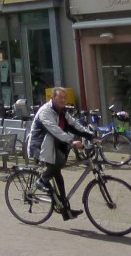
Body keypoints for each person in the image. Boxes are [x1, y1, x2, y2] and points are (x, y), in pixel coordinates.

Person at [29, 87, 96, 220]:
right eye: (60, 97)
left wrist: (91, 136)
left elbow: (74, 125)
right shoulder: (45, 112)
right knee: (57, 164)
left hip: (54, 146)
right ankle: (41, 181)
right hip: (40, 147)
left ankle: (65, 210)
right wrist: (72, 141)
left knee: (59, 177)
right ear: (52, 98)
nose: (63, 100)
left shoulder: (62, 111)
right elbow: (54, 130)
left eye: (65, 98)